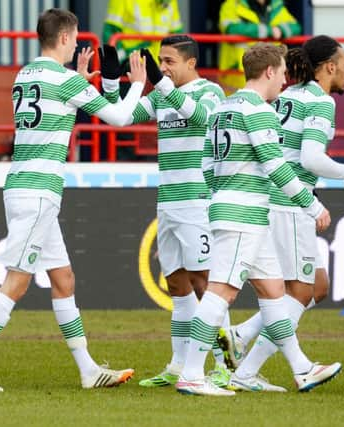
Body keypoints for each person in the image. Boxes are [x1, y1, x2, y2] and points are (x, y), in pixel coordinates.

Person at [0, 8, 147, 393]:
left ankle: (88, 369)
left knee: (63, 278)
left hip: (24, 183)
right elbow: (121, 118)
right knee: (17, 284)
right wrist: (136, 84)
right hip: (39, 189)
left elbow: (54, 104)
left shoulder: (26, 74)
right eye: (74, 38)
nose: (77, 45)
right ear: (66, 39)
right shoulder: (64, 80)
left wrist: (79, 79)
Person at [174, 42, 340, 396]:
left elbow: (205, 165)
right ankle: (190, 373)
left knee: (274, 291)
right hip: (243, 214)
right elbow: (276, 165)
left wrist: (223, 192)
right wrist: (313, 206)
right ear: (268, 72)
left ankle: (301, 369)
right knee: (221, 293)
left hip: (241, 210)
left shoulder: (223, 107)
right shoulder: (259, 111)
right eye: (281, 72)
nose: (285, 79)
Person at [219, 35, 344, 391]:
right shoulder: (320, 101)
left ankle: (242, 337)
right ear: (329, 67)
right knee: (300, 291)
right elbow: (310, 158)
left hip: (274, 199)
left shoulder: (288, 96)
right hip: (290, 203)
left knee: (316, 287)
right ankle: (253, 367)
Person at [97, 36, 232, 388]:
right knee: (177, 284)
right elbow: (121, 119)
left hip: (198, 200)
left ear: (191, 63)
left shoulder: (210, 92)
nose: (164, 66)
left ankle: (224, 365)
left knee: (206, 283)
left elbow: (202, 119)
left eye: (170, 61)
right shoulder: (162, 94)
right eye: (161, 60)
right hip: (169, 201)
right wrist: (111, 84)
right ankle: (177, 364)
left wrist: (162, 84)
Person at [218, 0, 301, 92]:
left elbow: (296, 27)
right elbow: (231, 28)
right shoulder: (232, 4)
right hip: (240, 71)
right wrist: (269, 31)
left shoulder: (276, 5)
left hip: (271, 70)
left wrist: (281, 30)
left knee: (270, 104)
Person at [103, 0, 183, 64]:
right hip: (133, 62)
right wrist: (121, 58)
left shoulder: (170, 1)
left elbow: (177, 33)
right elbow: (110, 31)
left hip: (161, 64)